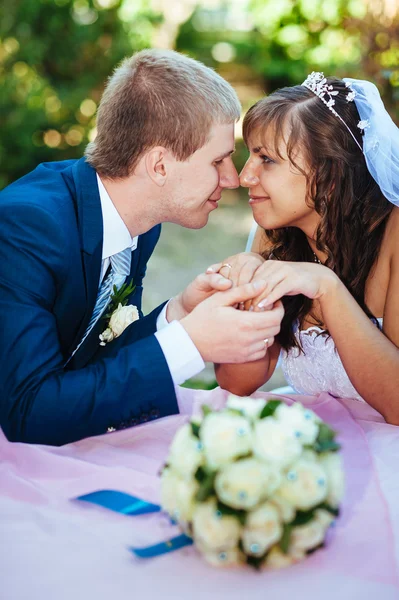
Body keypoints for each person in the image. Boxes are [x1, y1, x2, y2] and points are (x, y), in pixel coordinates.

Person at [0, 49, 284, 446]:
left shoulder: (139, 226)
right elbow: (27, 412)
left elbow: (91, 365)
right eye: (219, 160)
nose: (233, 179)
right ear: (160, 166)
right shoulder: (26, 227)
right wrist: (191, 343)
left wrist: (179, 315)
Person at [214, 73, 399, 424]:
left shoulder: (395, 233)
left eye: (265, 159)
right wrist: (249, 299)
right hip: (312, 443)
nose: (244, 176)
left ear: (328, 174)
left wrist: (326, 287)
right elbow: (237, 383)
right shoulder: (275, 234)